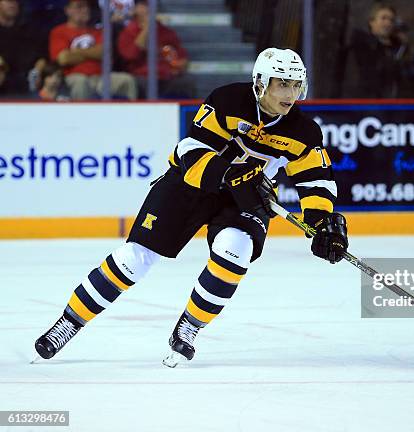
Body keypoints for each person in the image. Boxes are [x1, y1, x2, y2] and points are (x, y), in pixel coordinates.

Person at [33, 47, 349, 367]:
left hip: (244, 200)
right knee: (135, 259)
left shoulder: (304, 131)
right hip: (190, 184)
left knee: (235, 250)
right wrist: (228, 175)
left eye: (296, 85)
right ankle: (68, 324)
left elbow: (316, 179)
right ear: (260, 83)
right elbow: (192, 150)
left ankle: (188, 329)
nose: (290, 93)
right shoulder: (227, 100)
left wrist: (323, 222)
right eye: (282, 84)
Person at [49, 0, 138, 100]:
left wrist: (75, 52)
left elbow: (104, 53)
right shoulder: (59, 31)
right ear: (68, 10)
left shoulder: (97, 31)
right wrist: (92, 53)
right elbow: (63, 59)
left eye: (86, 7)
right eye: (79, 7)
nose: (85, 10)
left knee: (127, 80)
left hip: (100, 77)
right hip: (73, 77)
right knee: (80, 82)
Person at [118, 0, 196, 99]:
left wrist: (180, 64)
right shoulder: (127, 32)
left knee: (187, 81)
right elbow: (131, 55)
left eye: (151, 5)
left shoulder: (166, 32)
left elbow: (181, 57)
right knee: (141, 84)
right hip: (141, 77)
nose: (148, 9)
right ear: (135, 9)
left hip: (165, 76)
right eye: (144, 5)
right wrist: (147, 28)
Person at [341, 3, 409, 98]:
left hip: (395, 104)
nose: (388, 23)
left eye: (391, 20)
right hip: (368, 103)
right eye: (383, 18)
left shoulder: (398, 48)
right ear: (372, 21)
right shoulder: (361, 47)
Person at [0, 0, 47, 97]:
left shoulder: (29, 30)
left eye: (16, 1)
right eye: (8, 1)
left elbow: (42, 56)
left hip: (26, 81)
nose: (13, 3)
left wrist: (37, 70)